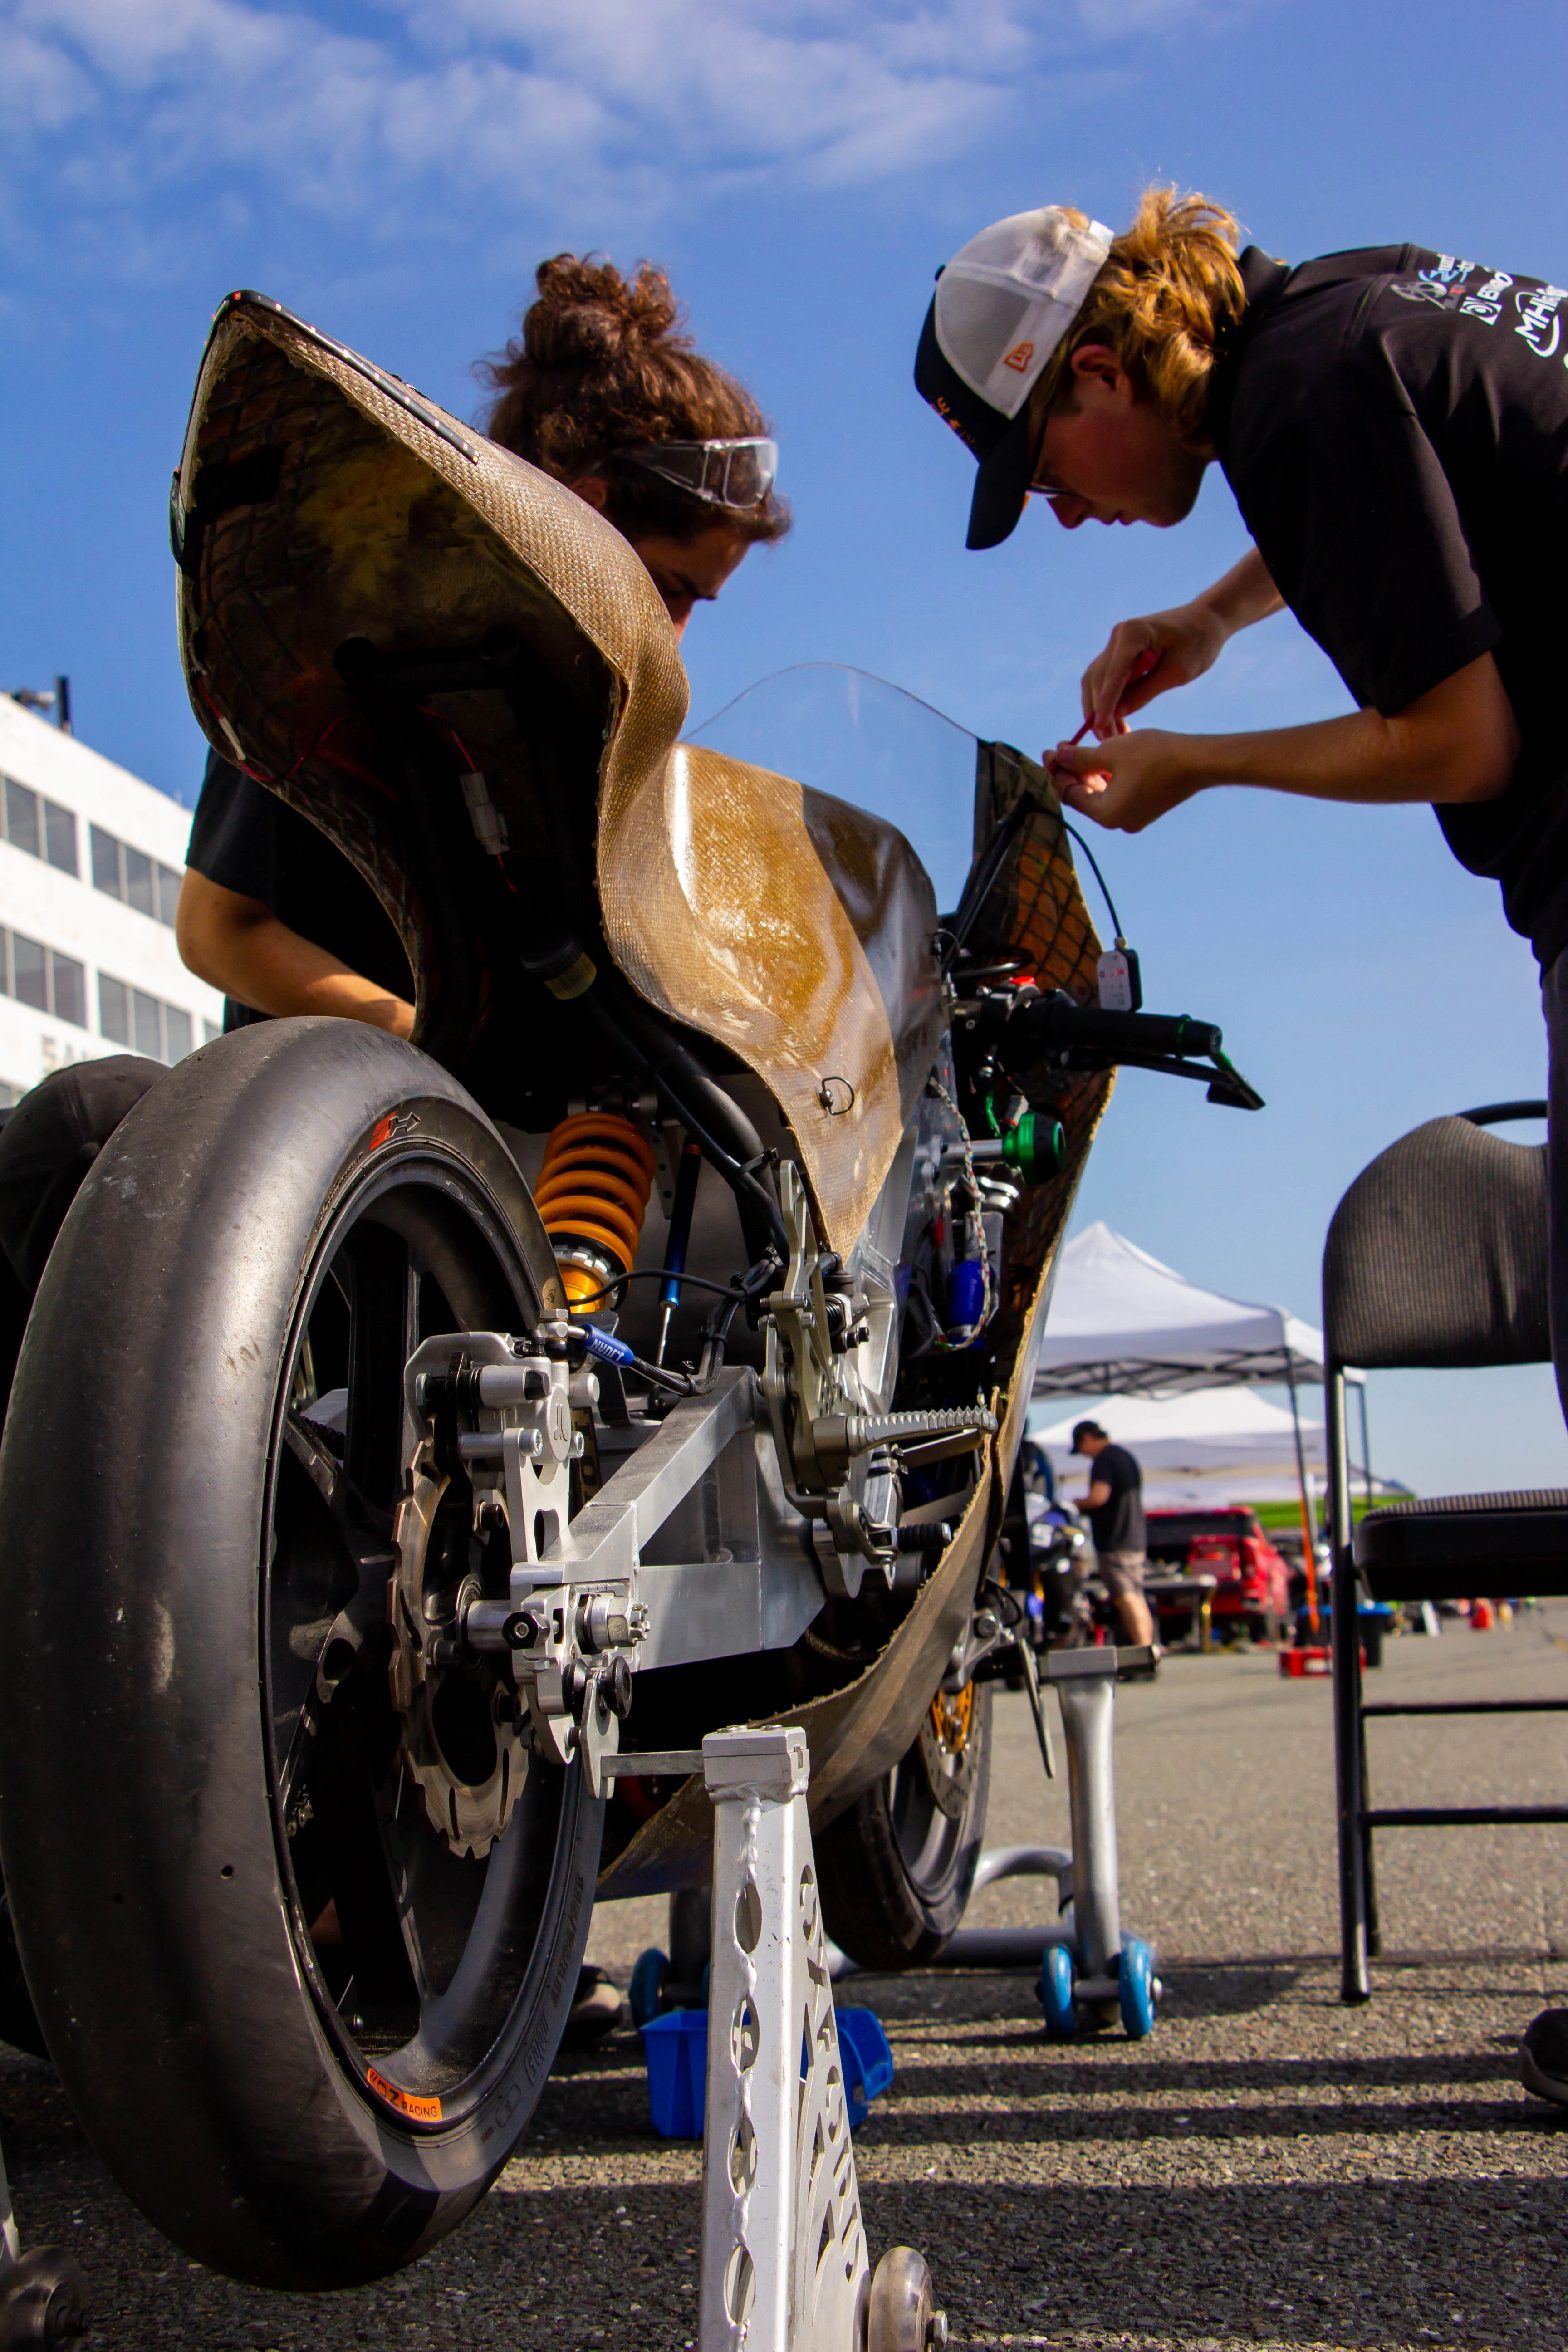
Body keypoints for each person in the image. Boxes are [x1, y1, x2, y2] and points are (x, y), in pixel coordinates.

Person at [0, 253, 788, 2050]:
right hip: (324, 1171)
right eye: (671, 586)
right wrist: (430, 1047)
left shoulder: (613, 750)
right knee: (107, 1161)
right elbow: (224, 935)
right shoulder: (349, 631)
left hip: (494, 1195)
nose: (680, 636)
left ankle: (483, 1931)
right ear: (580, 514)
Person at [914, 192, 1565, 2094]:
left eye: (1045, 468)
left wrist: (1200, 765)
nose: (1064, 512)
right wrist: (1211, 619)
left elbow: (1464, 740)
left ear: (1103, 372)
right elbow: (1417, 496)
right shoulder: (1348, 308)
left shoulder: (1297, 399)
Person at [1070, 1420, 1154, 1647]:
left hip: (1116, 1540)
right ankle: (1149, 1649)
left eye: (1082, 1448)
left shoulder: (1105, 1459)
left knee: (1125, 1597)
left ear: (1087, 1438)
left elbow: (1099, 1496)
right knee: (1137, 1596)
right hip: (1134, 1539)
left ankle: (1143, 1650)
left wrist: (1079, 1504)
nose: (1085, 1455)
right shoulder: (1126, 1456)